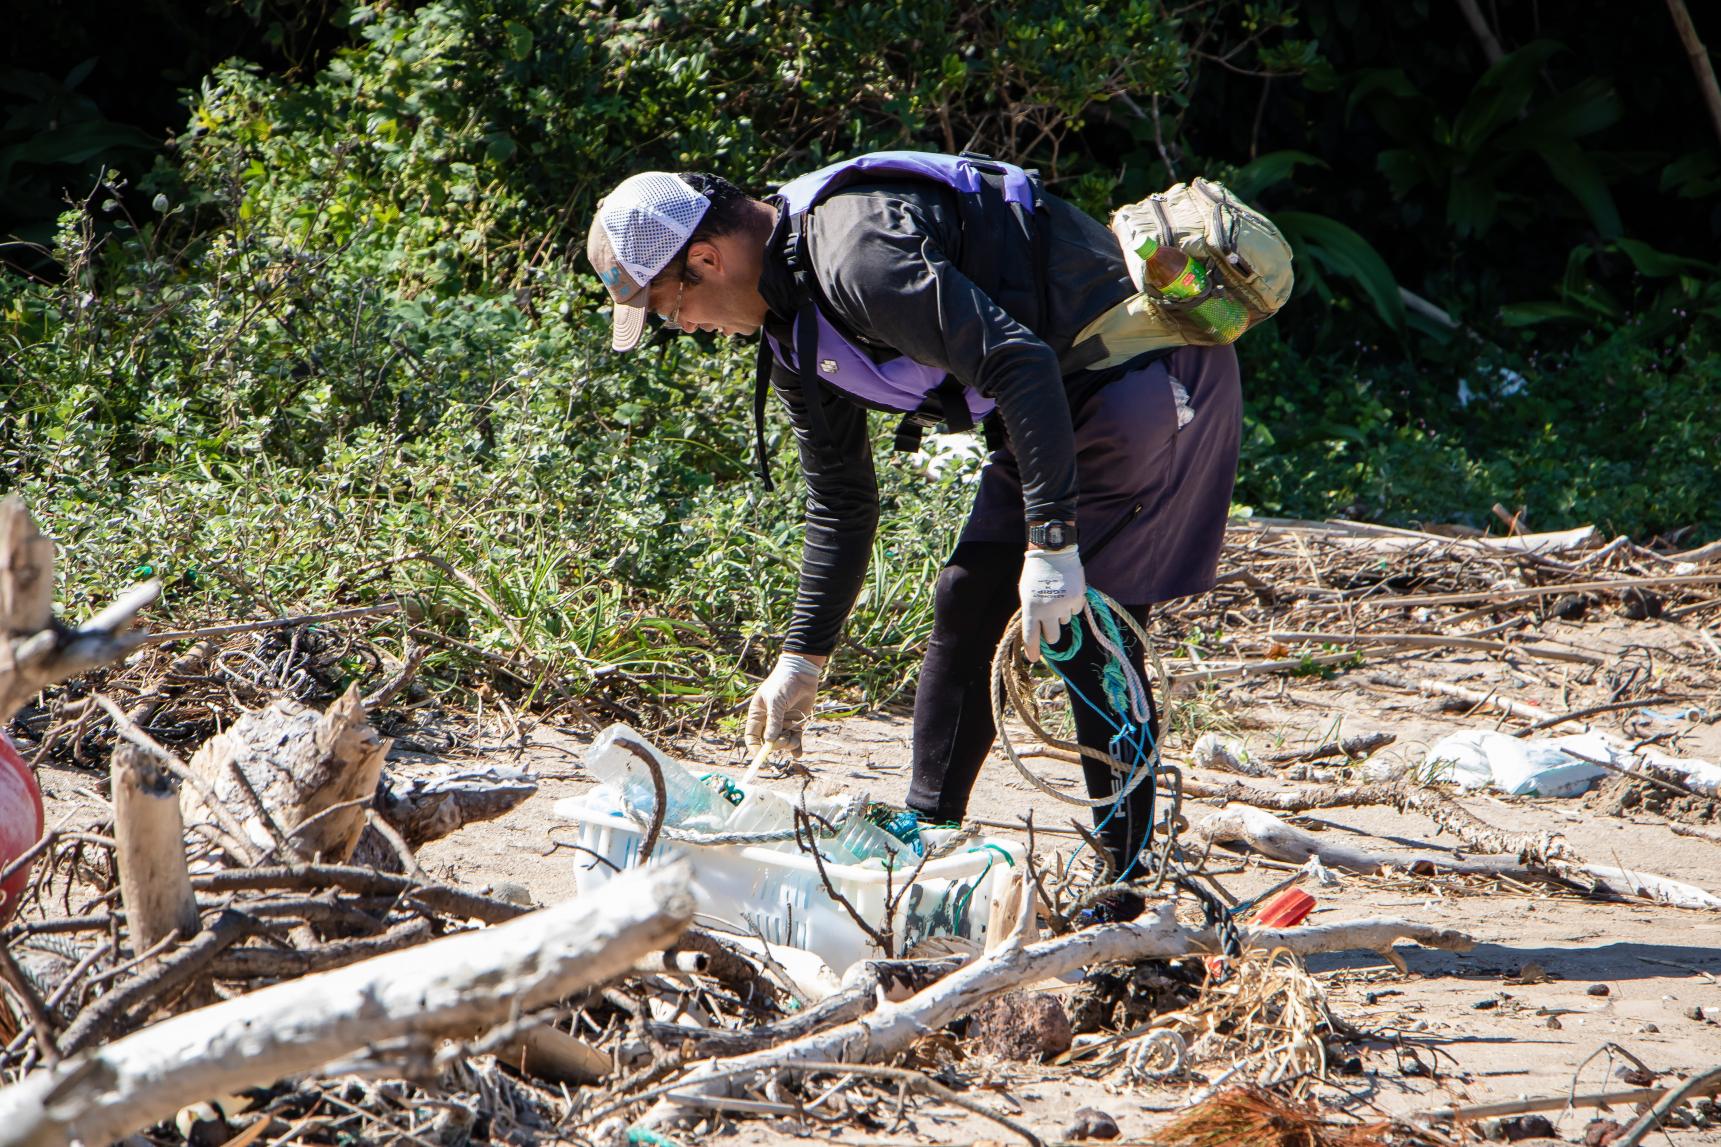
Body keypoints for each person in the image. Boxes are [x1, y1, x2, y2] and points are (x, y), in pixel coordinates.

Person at [587, 152, 1241, 875]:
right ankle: (928, 830)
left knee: (1085, 628)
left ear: (705, 260)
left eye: (669, 311)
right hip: (1053, 400)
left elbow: (1018, 361)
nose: (688, 327)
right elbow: (841, 499)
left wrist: (1053, 546)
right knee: (969, 592)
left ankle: (1126, 881)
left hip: (1145, 380)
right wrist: (800, 660)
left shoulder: (857, 258)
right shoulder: (792, 319)